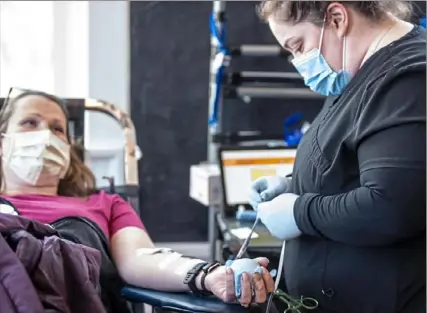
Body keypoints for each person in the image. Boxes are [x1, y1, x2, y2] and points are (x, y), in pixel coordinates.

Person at [0, 88, 274, 308]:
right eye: (29, 122)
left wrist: (207, 275)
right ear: (3, 140)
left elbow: (141, 258)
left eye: (58, 128)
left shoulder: (105, 204)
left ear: (68, 147)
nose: (46, 135)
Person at [250, 1, 426, 313]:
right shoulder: (355, 72)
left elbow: (390, 206)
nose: (299, 62)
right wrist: (292, 186)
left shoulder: (409, 80)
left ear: (336, 17)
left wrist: (300, 212)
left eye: (299, 46)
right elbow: (350, 164)